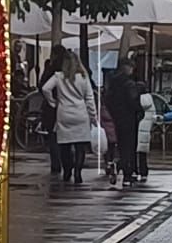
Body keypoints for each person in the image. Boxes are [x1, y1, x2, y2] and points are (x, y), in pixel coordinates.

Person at [42, 52, 96, 184]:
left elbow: (45, 88)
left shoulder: (59, 76)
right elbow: (89, 98)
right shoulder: (83, 77)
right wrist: (93, 116)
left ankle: (67, 170)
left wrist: (52, 102)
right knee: (80, 146)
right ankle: (78, 172)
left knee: (64, 145)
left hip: (63, 112)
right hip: (80, 113)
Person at [104, 54, 144, 189]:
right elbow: (133, 101)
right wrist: (139, 110)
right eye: (131, 67)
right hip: (129, 118)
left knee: (121, 145)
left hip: (117, 117)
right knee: (129, 146)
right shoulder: (129, 84)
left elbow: (107, 99)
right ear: (126, 68)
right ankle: (126, 171)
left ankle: (121, 166)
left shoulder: (112, 83)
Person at [36, 45, 67, 180]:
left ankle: (56, 164)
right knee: (65, 137)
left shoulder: (51, 69)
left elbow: (43, 87)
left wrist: (51, 101)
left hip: (51, 107)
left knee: (53, 136)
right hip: (66, 106)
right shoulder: (68, 70)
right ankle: (67, 164)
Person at [135, 83, 157, 182]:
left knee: (134, 152)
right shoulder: (150, 100)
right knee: (142, 154)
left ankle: (136, 170)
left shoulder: (139, 100)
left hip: (138, 129)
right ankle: (144, 172)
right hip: (146, 131)